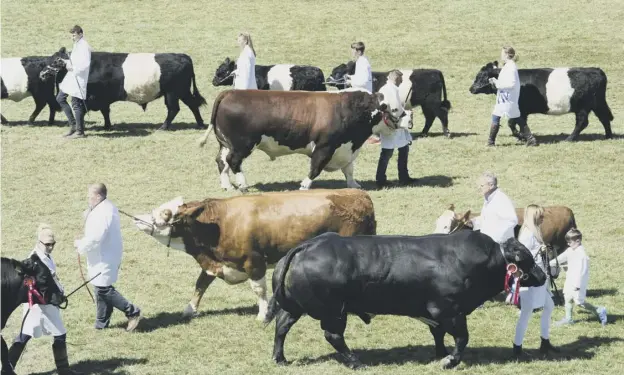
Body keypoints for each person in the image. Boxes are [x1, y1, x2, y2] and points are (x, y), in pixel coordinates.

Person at [7, 224, 79, 375]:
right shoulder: (33, 260)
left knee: (56, 334)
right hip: (37, 305)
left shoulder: (46, 256)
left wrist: (59, 293)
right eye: (47, 244)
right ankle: (7, 368)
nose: (51, 247)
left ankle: (63, 369)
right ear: (39, 242)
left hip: (48, 304)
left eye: (53, 244)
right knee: (26, 335)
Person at [74, 183, 142, 331]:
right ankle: (101, 323)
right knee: (100, 287)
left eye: (90, 196)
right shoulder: (106, 207)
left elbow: (96, 237)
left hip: (104, 256)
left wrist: (80, 245)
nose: (87, 198)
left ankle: (132, 311)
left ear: (98, 196)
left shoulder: (103, 213)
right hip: (106, 254)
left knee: (103, 288)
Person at [512, 205, 559, 358]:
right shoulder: (527, 234)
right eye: (539, 216)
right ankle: (517, 348)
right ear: (533, 217)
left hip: (539, 278)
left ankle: (544, 342)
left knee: (549, 306)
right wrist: (540, 250)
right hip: (531, 280)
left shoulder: (534, 231)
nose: (542, 218)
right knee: (526, 314)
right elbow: (523, 257)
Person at [551, 228, 608, 326]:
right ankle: (569, 319)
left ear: (578, 241)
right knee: (567, 297)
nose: (568, 244)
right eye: (567, 242)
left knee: (579, 302)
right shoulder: (570, 250)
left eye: (570, 242)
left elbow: (582, 272)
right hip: (570, 279)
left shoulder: (582, 256)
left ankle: (599, 310)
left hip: (578, 283)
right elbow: (560, 258)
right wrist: (549, 263)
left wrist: (577, 285)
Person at [486, 46, 537, 147]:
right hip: (505, 98)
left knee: (501, 117)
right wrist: (496, 81)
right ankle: (531, 139)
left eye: (502, 53)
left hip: (508, 99)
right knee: (514, 118)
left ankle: (491, 142)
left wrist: (497, 84)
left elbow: (511, 84)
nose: (501, 55)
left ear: (506, 54)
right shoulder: (508, 66)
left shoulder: (511, 67)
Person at [375, 70, 417, 188]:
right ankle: (381, 180)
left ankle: (403, 177)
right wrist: (406, 114)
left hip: (393, 125)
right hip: (392, 126)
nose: (402, 82)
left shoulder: (388, 88)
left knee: (402, 150)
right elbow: (396, 109)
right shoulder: (390, 89)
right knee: (387, 153)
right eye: (401, 80)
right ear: (396, 78)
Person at [57, 25, 92, 139]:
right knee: (60, 98)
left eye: (74, 35)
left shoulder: (84, 46)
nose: (72, 38)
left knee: (76, 104)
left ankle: (80, 131)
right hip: (71, 77)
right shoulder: (77, 44)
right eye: (71, 35)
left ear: (80, 34)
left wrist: (73, 68)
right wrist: (67, 62)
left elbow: (85, 64)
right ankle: (73, 125)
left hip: (79, 77)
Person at [470, 172, 518, 244]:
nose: (479, 188)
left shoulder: (501, 199)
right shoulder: (488, 199)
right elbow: (488, 219)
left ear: (491, 185)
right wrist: (473, 222)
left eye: (482, 185)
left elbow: (511, 220)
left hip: (500, 245)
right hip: (488, 243)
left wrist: (494, 239)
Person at [345, 41, 378, 144]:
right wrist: (351, 77)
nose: (351, 52)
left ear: (358, 51)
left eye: (353, 50)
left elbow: (363, 81)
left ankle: (373, 137)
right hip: (361, 93)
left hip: (363, 94)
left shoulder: (363, 62)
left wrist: (351, 81)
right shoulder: (361, 61)